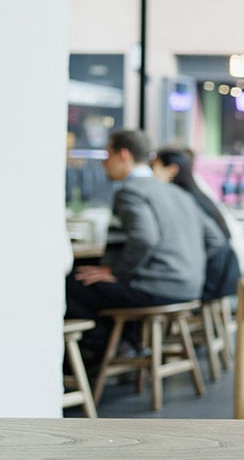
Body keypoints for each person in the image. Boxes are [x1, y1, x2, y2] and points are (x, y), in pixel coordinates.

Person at [65, 130, 227, 359]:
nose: (103, 163)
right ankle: (129, 344)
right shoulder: (177, 192)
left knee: (71, 285)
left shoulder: (130, 192)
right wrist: (186, 266)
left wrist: (117, 271)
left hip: (157, 288)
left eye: (107, 155)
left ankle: (115, 349)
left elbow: (144, 238)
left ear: (123, 155)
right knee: (98, 283)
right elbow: (215, 240)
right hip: (189, 289)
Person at [151, 147, 242, 302]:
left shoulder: (182, 200)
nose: (150, 174)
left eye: (154, 167)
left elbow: (215, 241)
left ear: (172, 170)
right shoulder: (197, 194)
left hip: (208, 280)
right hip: (224, 275)